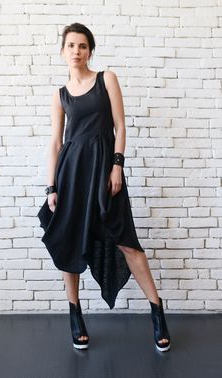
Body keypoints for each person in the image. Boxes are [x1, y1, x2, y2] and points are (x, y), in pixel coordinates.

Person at [37, 22, 171, 352]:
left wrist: (117, 165)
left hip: (104, 170)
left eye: (82, 46)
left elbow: (120, 125)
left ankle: (157, 311)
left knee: (126, 242)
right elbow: (55, 142)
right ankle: (75, 313)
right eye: (71, 45)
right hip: (71, 173)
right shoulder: (60, 95)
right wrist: (51, 187)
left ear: (90, 50)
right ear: (62, 50)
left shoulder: (106, 79)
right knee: (70, 242)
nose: (77, 51)